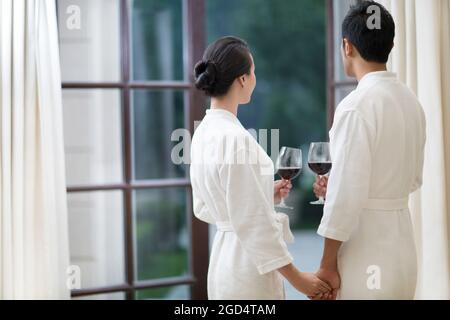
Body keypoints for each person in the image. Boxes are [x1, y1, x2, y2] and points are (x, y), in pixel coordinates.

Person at [190, 36, 331, 299]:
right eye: (253, 72)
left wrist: (263, 193)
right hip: (248, 271)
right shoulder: (236, 140)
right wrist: (300, 281)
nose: (254, 79)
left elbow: (205, 205)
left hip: (222, 265)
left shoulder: (202, 134)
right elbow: (256, 225)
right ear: (243, 79)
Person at [313, 1, 426, 299]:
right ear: (390, 44)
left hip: (367, 254)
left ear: (346, 46)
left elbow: (345, 198)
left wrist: (326, 266)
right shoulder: (411, 101)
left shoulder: (356, 106)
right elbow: (412, 179)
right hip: (403, 253)